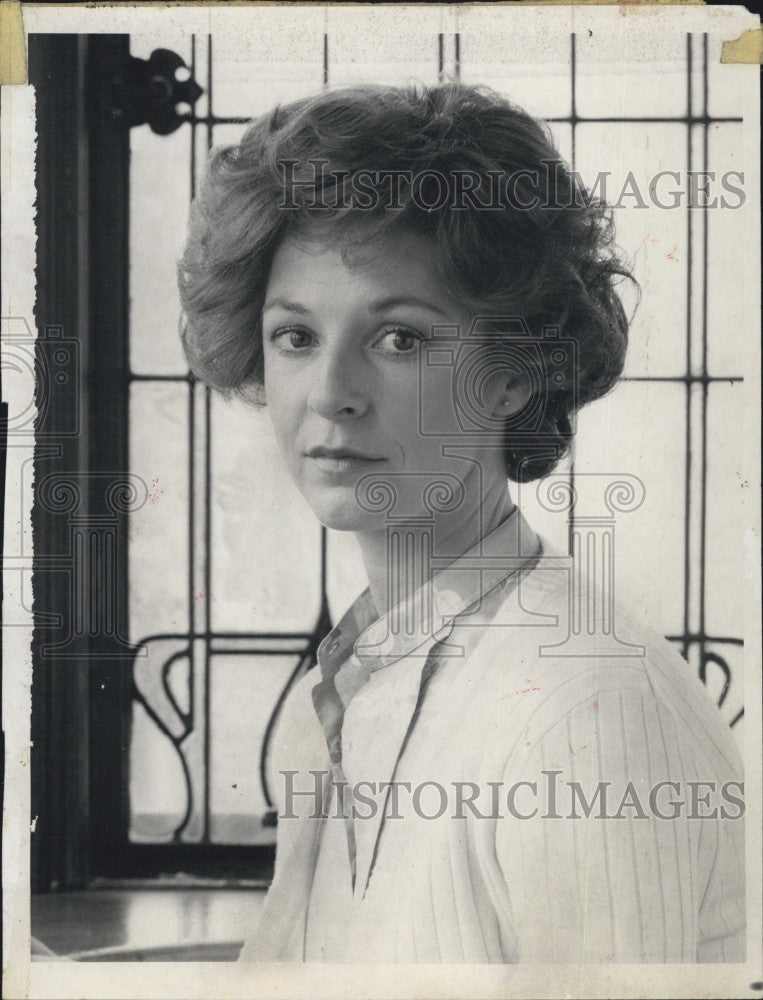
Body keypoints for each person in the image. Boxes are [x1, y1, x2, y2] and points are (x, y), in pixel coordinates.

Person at [178, 82, 745, 963]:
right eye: (295, 337)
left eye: (398, 338)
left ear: (515, 370)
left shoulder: (582, 712)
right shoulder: (342, 690)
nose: (329, 394)